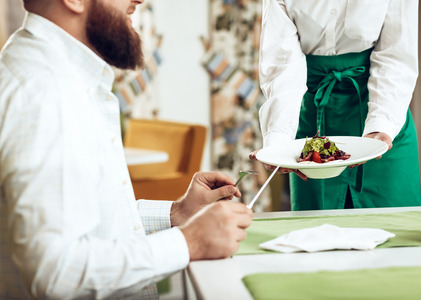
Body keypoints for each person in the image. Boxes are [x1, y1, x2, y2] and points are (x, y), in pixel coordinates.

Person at [0, 0, 253, 299]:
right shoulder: (47, 94)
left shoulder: (53, 75)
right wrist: (189, 242)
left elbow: (92, 218)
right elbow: (57, 271)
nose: (139, 0)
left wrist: (177, 213)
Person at [250, 0, 421, 210]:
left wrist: (381, 125)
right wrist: (277, 139)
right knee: (314, 236)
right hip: (314, 121)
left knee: (397, 233)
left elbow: (397, 56)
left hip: (385, 117)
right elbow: (281, 64)